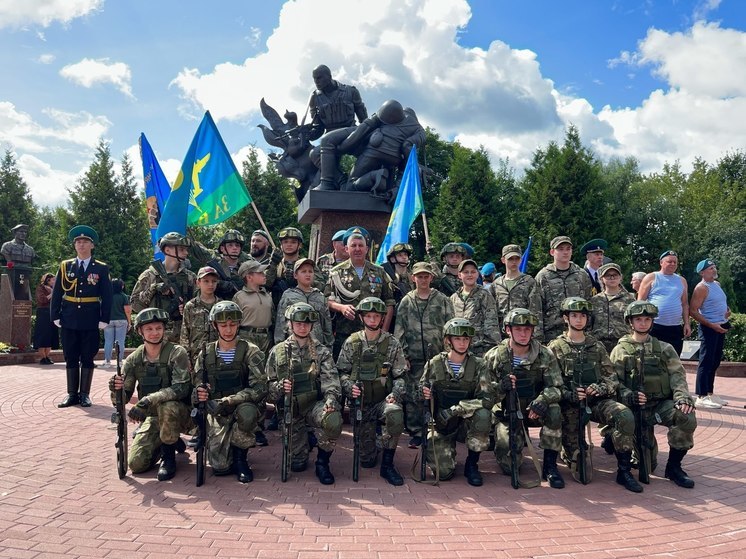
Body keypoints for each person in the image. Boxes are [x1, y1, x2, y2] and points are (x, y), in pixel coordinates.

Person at [547, 297, 642, 492]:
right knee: (580, 463)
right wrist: (567, 393)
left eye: (583, 316)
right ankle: (560, 458)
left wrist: (601, 388)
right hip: (569, 405)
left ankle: (624, 471)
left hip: (597, 402)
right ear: (566, 318)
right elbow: (548, 381)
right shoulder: (555, 347)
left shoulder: (596, 347)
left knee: (624, 415)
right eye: (574, 315)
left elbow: (612, 378)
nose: (579, 320)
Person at [610, 301, 697, 488]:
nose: (643, 323)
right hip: (633, 408)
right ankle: (623, 465)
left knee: (686, 416)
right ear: (630, 322)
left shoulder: (664, 349)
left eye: (647, 319)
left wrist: (682, 398)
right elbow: (613, 381)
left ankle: (674, 467)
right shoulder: (620, 350)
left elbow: (677, 376)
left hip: (659, 405)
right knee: (646, 465)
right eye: (638, 319)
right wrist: (628, 395)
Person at [484, 308, 565, 489]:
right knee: (509, 465)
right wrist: (501, 388)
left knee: (554, 410)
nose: (523, 334)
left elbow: (557, 387)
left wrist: (543, 400)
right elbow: (483, 392)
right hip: (508, 413)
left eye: (527, 329)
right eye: (518, 329)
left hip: (534, 411)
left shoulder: (544, 354)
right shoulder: (495, 356)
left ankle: (550, 466)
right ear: (508, 330)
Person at [109, 308, 192, 480]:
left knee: (167, 406)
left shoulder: (176, 353)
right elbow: (122, 398)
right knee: (136, 464)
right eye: (149, 329)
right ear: (140, 331)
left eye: (158, 328)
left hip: (180, 414)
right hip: (153, 418)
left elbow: (181, 388)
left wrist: (148, 400)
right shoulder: (134, 359)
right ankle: (166, 440)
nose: (155, 333)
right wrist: (115, 389)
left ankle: (168, 458)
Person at [266, 302, 342, 484]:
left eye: (307, 324)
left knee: (332, 420)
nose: (302, 327)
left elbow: (331, 382)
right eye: (298, 323)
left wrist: (331, 400)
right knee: (297, 464)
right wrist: (279, 387)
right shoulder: (278, 352)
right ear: (290, 324)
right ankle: (305, 440)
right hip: (291, 409)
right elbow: (267, 389)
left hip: (313, 406)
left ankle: (322, 463)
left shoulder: (321, 351)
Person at [193, 301, 268, 483]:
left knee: (248, 413)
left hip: (240, 407)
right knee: (220, 468)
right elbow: (196, 384)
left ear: (239, 324)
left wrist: (230, 400)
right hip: (215, 411)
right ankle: (226, 451)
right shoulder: (205, 353)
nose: (228, 330)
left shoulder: (251, 351)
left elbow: (260, 388)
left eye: (233, 325)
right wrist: (200, 393)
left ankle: (241, 459)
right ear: (214, 325)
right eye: (223, 325)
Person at [337, 297, 407, 485]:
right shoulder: (352, 342)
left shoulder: (392, 343)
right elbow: (341, 372)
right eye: (368, 316)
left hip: (383, 401)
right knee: (366, 460)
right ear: (362, 318)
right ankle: (375, 441)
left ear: (382, 318)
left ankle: (387, 464)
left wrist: (395, 394)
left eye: (377, 316)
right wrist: (349, 387)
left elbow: (400, 376)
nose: (373, 320)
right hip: (361, 404)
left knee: (395, 414)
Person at [420, 318, 495, 486]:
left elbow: (487, 399)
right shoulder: (434, 364)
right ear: (448, 341)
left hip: (466, 425)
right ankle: (445, 454)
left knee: (483, 414)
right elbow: (418, 396)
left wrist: (457, 409)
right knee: (444, 473)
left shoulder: (479, 365)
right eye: (458, 339)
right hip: (442, 424)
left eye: (466, 339)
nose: (462, 343)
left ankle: (472, 464)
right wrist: (424, 394)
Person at [394, 261, 454, 448]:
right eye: (419, 276)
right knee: (413, 395)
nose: (423, 279)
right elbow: (399, 329)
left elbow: (450, 327)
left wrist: (448, 353)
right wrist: (403, 356)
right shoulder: (407, 301)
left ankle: (440, 428)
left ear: (431, 278)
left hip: (437, 356)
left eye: (426, 276)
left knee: (438, 391)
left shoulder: (442, 299)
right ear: (413, 278)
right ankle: (416, 431)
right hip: (414, 357)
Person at [51, 225, 112, 408]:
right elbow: (57, 292)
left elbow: (107, 295)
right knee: (70, 356)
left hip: (90, 318)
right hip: (69, 317)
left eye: (85, 242)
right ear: (74, 245)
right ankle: (71, 394)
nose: (81, 245)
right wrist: (55, 314)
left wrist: (104, 318)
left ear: (92, 245)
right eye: (78, 242)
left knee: (87, 356)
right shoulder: (65, 266)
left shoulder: (100, 268)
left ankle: (84, 394)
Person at [325, 227, 395, 359]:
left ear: (367, 249)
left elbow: (389, 302)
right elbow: (327, 300)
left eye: (361, 245)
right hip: (345, 334)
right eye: (353, 245)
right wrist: (341, 308)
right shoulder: (336, 272)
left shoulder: (379, 272)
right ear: (346, 249)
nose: (357, 249)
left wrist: (384, 332)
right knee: (344, 373)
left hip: (374, 335)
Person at [308, 64, 368, 190]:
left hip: (351, 134)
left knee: (369, 152)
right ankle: (341, 180)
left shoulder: (350, 91)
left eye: (319, 78)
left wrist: (367, 138)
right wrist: (307, 133)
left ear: (329, 76)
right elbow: (318, 129)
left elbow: (364, 120)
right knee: (314, 154)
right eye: (314, 79)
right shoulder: (314, 98)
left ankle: (327, 184)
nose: (316, 82)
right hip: (329, 139)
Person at [131, 232, 196, 343]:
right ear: (167, 250)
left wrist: (187, 307)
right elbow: (135, 304)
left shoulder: (190, 277)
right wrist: (154, 289)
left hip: (183, 335)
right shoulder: (150, 275)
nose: (186, 253)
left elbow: (200, 303)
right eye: (181, 249)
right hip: (155, 336)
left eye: (186, 249)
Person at [689, 259, 731, 409]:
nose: (714, 270)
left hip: (720, 326)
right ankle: (701, 396)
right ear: (702, 272)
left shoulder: (716, 285)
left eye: (714, 267)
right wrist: (711, 324)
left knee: (715, 362)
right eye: (710, 268)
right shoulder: (701, 287)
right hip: (709, 329)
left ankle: (710, 393)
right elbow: (693, 311)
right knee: (706, 361)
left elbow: (720, 302)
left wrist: (727, 311)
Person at [535, 236, 592, 343]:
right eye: (560, 249)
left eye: (568, 249)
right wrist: (538, 338)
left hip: (578, 333)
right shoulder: (543, 276)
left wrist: (588, 331)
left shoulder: (581, 275)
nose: (565, 252)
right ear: (552, 252)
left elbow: (588, 303)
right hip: (552, 334)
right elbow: (537, 308)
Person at [637, 250, 690, 355]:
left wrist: (687, 324)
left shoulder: (681, 280)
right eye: (669, 261)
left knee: (673, 359)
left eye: (675, 262)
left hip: (675, 327)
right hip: (655, 325)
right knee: (653, 358)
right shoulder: (651, 277)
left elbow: (684, 304)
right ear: (661, 262)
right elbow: (640, 302)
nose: (673, 264)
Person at [274, 258, 333, 348]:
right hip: (293, 348)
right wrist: (279, 346)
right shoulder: (288, 295)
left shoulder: (320, 297)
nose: (307, 274)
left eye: (310, 271)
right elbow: (281, 323)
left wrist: (328, 348)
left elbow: (327, 326)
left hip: (316, 347)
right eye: (303, 271)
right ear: (295, 275)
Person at [450, 259, 500, 356]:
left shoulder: (484, 295)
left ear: (478, 274)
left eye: (473, 272)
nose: (470, 275)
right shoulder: (453, 298)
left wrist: (490, 350)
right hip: (458, 350)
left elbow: (492, 325)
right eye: (466, 272)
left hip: (479, 350)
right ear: (459, 275)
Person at [490, 244, 542, 333]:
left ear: (521, 260)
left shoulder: (529, 282)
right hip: (502, 333)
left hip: (523, 332)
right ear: (503, 260)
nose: (514, 262)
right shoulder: (496, 284)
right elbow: (491, 313)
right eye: (510, 259)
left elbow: (536, 311)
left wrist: (536, 335)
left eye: (517, 258)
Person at [180, 266, 221, 369]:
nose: (210, 284)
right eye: (206, 281)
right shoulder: (190, 306)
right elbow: (185, 334)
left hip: (218, 356)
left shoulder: (221, 305)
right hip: (196, 357)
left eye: (214, 281)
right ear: (198, 283)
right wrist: (186, 358)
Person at [590, 263, 635, 354]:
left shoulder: (630, 299)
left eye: (615, 275)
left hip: (623, 345)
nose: (612, 278)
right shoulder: (595, 300)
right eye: (608, 275)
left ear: (620, 277)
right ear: (601, 279)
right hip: (599, 346)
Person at [233, 260, 273, 355]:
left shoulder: (267, 296)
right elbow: (234, 321)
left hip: (266, 337)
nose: (264, 275)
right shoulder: (239, 297)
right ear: (249, 277)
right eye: (260, 273)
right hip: (246, 336)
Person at [265, 226, 306, 307]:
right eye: (285, 242)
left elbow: (319, 286)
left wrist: (297, 279)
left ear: (300, 245)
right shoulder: (275, 263)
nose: (289, 245)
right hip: (277, 310)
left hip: (300, 309)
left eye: (293, 242)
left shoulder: (306, 264)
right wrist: (273, 264)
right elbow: (266, 284)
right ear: (281, 245)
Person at [1, 223, 36, 300]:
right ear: (15, 233)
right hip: (12, 274)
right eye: (21, 231)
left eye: (25, 232)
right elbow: (4, 253)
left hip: (25, 273)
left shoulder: (30, 250)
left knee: (24, 295)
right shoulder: (7, 246)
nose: (23, 234)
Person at [103, 278, 131, 367]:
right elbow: (127, 310)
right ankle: (119, 361)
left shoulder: (106, 296)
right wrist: (129, 322)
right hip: (121, 320)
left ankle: (107, 361)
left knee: (108, 341)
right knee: (120, 341)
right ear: (121, 286)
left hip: (108, 320)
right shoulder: (123, 296)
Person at [33, 273, 59, 364]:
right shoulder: (41, 288)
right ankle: (42, 357)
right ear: (48, 280)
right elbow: (42, 300)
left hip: (52, 314)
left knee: (50, 335)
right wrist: (52, 294)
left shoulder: (55, 289)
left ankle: (47, 356)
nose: (54, 281)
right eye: (53, 280)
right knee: (43, 335)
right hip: (43, 314)